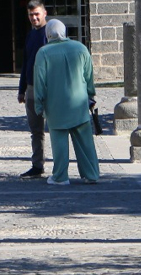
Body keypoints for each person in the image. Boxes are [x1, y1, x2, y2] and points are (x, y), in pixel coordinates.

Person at [33, 19, 99, 186]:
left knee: (59, 143)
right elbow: (88, 76)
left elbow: (39, 81)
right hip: (79, 102)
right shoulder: (80, 48)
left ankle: (60, 176)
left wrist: (38, 104)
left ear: (48, 34)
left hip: (55, 104)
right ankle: (91, 174)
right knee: (85, 142)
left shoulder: (44, 53)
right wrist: (90, 94)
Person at [18, 0, 49, 178]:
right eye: (31, 15)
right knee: (35, 130)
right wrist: (22, 89)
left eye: (37, 14)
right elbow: (26, 63)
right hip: (31, 87)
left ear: (44, 13)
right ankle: (38, 164)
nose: (34, 18)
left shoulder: (50, 34)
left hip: (48, 87)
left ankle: (62, 164)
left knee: (58, 128)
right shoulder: (30, 35)